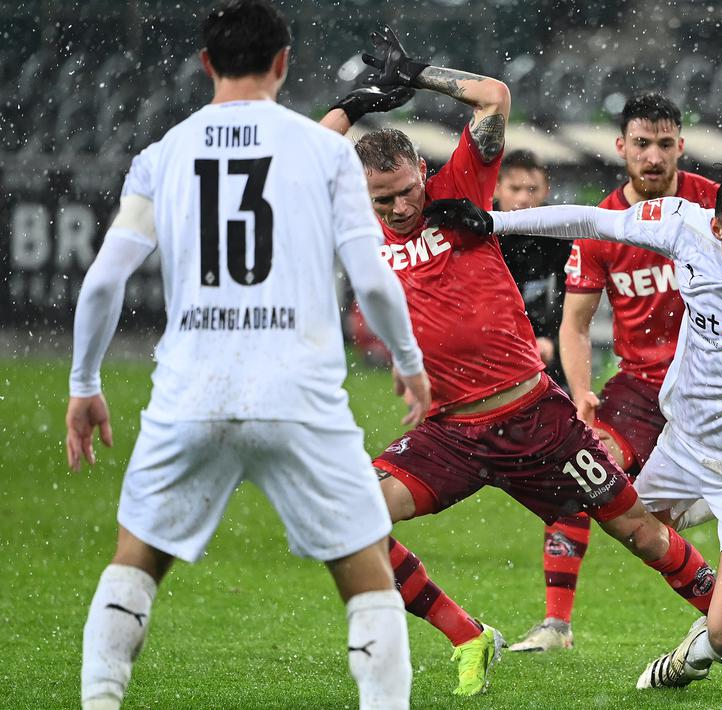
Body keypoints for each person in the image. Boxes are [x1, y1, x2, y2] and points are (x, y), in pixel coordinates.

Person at [321, 27, 722, 694]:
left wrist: (416, 74)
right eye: (385, 201)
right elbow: (303, 156)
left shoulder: (456, 186)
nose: (404, 207)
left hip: (535, 416)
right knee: (347, 520)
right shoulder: (351, 220)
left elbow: (493, 99)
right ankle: (469, 635)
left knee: (639, 532)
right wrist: (355, 102)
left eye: (409, 189)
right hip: (450, 433)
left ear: (421, 172)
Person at [69, 3, 429, 709]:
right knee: (364, 577)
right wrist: (409, 361)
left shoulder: (162, 155)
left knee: (136, 561)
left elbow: (105, 279)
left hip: (192, 392)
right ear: (283, 63)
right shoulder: (323, 153)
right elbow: (373, 276)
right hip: (298, 394)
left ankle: (100, 700)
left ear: (205, 64)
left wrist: (85, 381)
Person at [422, 160, 722, 691]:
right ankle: (566, 621)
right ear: (717, 227)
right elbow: (593, 222)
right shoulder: (680, 225)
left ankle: (687, 658)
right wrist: (493, 222)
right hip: (683, 446)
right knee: (613, 516)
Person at [511, 93, 722, 654]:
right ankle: (556, 627)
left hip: (717, 383)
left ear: (681, 146)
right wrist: (582, 392)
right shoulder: (606, 225)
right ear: (622, 148)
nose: (653, 155)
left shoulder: (718, 209)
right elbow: (575, 324)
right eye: (642, 143)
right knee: (581, 471)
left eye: (665, 143)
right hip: (640, 388)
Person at [492, 149, 570, 385]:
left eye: (532, 189)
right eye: (515, 189)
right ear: (497, 188)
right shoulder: (481, 232)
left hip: (545, 351)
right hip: (493, 348)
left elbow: (571, 299)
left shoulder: (560, 236)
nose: (524, 199)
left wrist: (552, 341)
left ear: (547, 190)